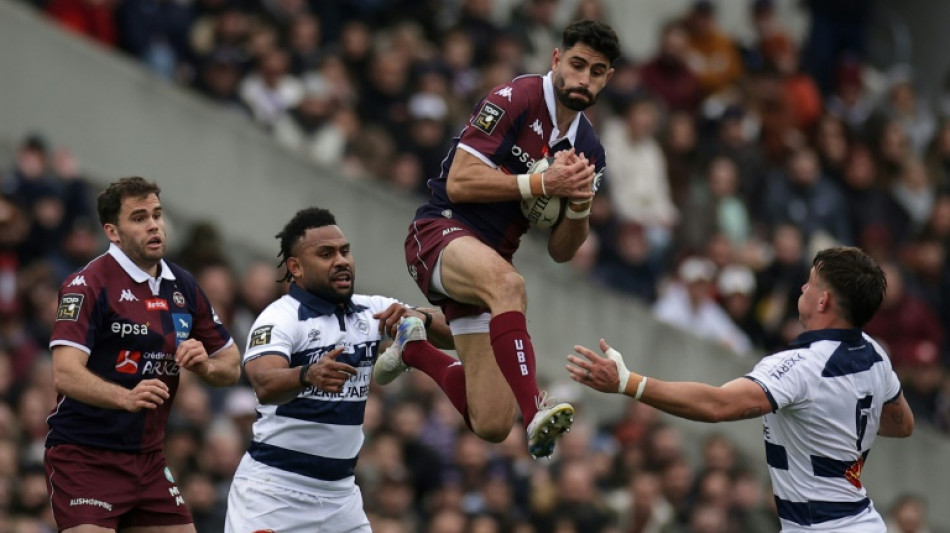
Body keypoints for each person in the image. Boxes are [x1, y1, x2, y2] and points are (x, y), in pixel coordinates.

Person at [376, 20, 621, 459]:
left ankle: (415, 343)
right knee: (510, 285)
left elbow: (562, 252)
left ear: (608, 78)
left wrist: (579, 203)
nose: (584, 78)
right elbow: (459, 182)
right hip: (440, 231)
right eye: (578, 64)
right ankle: (535, 410)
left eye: (597, 71)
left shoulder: (590, 150)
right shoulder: (514, 97)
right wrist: (540, 184)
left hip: (490, 260)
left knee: (491, 422)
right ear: (556, 59)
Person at [568, 246, 915, 532]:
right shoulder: (876, 356)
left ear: (823, 301)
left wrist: (628, 382)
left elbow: (717, 405)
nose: (802, 289)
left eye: (810, 284)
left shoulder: (800, 365)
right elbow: (902, 424)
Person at [224, 207, 452, 532]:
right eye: (326, 254)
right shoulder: (280, 317)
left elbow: (456, 334)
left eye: (345, 251)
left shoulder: (373, 311)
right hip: (273, 493)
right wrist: (307, 374)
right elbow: (263, 382)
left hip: (340, 496)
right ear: (296, 267)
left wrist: (422, 318)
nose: (341, 261)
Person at [45, 176, 242, 532]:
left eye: (157, 214)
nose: (153, 225)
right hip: (85, 455)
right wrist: (125, 397)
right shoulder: (87, 284)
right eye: (139, 218)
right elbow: (65, 373)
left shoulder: (183, 285)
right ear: (113, 232)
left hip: (148, 459)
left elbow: (231, 366)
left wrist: (205, 366)